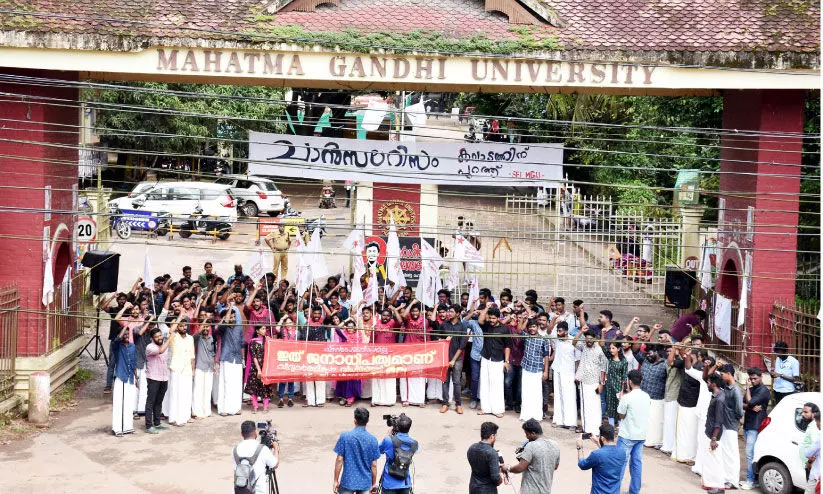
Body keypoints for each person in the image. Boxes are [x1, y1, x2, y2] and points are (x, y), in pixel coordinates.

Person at [616, 370, 650, 494]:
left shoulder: (626, 397)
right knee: (636, 464)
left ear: (629, 382)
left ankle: (614, 489)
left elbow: (621, 415)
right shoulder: (646, 396)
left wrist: (622, 398)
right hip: (640, 435)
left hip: (627, 435)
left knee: (620, 464)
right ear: (641, 381)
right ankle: (634, 491)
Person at [504, 419, 560, 494]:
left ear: (533, 433)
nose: (526, 437)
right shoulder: (555, 445)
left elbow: (520, 468)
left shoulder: (531, 446)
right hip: (546, 490)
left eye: (527, 434)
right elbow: (555, 467)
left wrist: (507, 468)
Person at [333, 407, 381, 494]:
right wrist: (373, 484)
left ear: (355, 420)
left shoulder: (345, 436)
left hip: (348, 481)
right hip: (365, 482)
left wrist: (336, 480)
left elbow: (339, 460)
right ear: (368, 420)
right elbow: (374, 465)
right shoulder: (372, 439)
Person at [477, 306, 511, 418]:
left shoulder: (505, 329)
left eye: (493, 318)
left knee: (496, 385)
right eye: (490, 318)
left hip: (498, 359)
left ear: (498, 318)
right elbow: (480, 320)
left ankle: (498, 409)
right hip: (486, 357)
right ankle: (485, 408)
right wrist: (486, 308)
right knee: (484, 383)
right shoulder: (486, 325)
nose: (491, 320)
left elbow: (507, 346)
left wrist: (506, 361)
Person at [740, 367, 771, 490]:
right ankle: (753, 479)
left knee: (750, 454)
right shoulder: (752, 389)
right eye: (751, 379)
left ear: (761, 377)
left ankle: (750, 480)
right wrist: (750, 406)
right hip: (748, 424)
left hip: (756, 426)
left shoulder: (764, 391)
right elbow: (742, 404)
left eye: (755, 379)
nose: (752, 381)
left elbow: (750, 401)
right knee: (750, 454)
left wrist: (748, 392)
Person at [574, 328, 608, 435]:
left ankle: (596, 429)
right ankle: (586, 429)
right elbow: (574, 342)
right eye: (587, 339)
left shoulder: (599, 350)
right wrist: (580, 332)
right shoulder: (583, 346)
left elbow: (604, 367)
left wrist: (602, 383)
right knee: (585, 406)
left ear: (595, 339)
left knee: (595, 406)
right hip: (584, 381)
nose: (588, 341)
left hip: (595, 382)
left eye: (591, 339)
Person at [577, 423, 627, 494]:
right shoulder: (622, 452)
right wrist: (598, 443)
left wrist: (579, 447)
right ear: (614, 437)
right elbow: (608, 454)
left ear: (603, 438)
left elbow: (582, 465)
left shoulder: (596, 454)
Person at [233, 420, 280, 494]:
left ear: (242, 434)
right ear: (255, 432)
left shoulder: (234, 449)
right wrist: (276, 448)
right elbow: (275, 464)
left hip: (239, 491)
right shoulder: (262, 449)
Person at [700, 374, 729, 493]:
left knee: (716, 461)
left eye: (708, 382)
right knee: (711, 460)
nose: (707, 384)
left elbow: (719, 420)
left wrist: (714, 438)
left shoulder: (719, 399)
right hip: (711, 432)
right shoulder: (718, 395)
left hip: (714, 434)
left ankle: (719, 487)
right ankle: (711, 483)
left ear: (714, 384)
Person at [519, 319, 551, 422]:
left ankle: (536, 416)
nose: (532, 329)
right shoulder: (526, 336)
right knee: (526, 391)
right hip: (526, 367)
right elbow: (519, 330)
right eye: (530, 327)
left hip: (538, 369)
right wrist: (525, 319)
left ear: (537, 327)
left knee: (536, 393)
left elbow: (546, 356)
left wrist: (545, 371)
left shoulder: (544, 340)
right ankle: (525, 415)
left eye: (534, 327)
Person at [377, 414, 418, 494]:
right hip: (405, 483)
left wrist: (389, 436)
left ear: (397, 427)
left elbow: (378, 451)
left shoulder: (388, 440)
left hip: (389, 483)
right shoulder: (414, 444)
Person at [167, 314, 195, 426]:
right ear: (178, 327)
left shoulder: (191, 338)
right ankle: (175, 418)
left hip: (187, 369)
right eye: (181, 326)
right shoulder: (173, 336)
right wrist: (179, 318)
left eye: (185, 326)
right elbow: (171, 330)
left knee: (187, 394)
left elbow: (192, 356)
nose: (184, 327)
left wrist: (192, 370)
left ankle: (186, 416)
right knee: (176, 393)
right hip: (176, 368)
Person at [718, 364, 743, 489]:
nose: (721, 376)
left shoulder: (736, 390)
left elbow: (739, 411)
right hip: (725, 424)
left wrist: (734, 421)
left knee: (732, 454)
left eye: (722, 374)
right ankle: (726, 478)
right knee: (725, 452)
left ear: (729, 374)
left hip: (731, 425)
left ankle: (732, 481)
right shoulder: (727, 387)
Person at [439, 304, 467, 414]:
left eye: (451, 311)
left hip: (457, 358)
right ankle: (445, 403)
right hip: (445, 357)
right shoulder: (444, 325)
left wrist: (453, 360)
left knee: (456, 382)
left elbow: (462, 346)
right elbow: (438, 339)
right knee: (445, 381)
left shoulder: (462, 326)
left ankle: (458, 405)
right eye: (448, 311)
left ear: (458, 314)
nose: (448, 313)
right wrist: (444, 340)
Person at [371, 307, 401, 407]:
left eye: (388, 316)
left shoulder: (393, 324)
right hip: (378, 355)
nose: (385, 317)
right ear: (381, 316)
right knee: (377, 378)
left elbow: (400, 321)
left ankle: (389, 400)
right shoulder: (376, 325)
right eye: (384, 315)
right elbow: (372, 341)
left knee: (389, 378)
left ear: (391, 317)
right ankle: (376, 399)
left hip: (390, 355)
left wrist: (395, 310)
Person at [217, 306, 245, 416]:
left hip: (237, 359)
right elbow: (223, 324)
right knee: (226, 384)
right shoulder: (223, 328)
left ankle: (236, 408)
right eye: (230, 316)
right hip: (227, 358)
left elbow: (242, 344)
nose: (232, 318)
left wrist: (243, 358)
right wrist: (229, 309)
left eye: (234, 316)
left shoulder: (239, 328)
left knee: (237, 384)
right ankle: (224, 409)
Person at [111, 324, 138, 437]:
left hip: (130, 377)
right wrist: (125, 326)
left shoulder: (132, 346)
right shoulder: (117, 346)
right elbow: (117, 340)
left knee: (128, 403)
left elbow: (134, 363)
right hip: (120, 376)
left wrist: (136, 378)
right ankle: (117, 428)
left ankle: (127, 427)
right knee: (119, 403)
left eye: (128, 333)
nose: (127, 335)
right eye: (124, 334)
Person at [550, 320, 577, 429]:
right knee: (558, 395)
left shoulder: (573, 341)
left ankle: (571, 423)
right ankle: (559, 420)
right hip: (557, 370)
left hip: (569, 372)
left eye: (560, 331)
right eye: (557, 330)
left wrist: (577, 374)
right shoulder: (557, 339)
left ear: (566, 332)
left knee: (569, 397)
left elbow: (577, 359)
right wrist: (555, 320)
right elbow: (548, 331)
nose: (558, 332)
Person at [467, 421, 506, 494]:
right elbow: (496, 478)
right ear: (492, 436)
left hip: (473, 488)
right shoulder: (492, 453)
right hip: (487, 490)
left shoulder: (471, 448)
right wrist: (500, 479)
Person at [144, 328, 171, 434]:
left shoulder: (163, 344)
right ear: (152, 338)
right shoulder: (150, 347)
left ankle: (157, 423)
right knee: (150, 402)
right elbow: (160, 351)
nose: (159, 338)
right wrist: (170, 339)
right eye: (156, 336)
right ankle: (149, 425)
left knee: (159, 401)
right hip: (153, 378)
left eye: (160, 335)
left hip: (164, 377)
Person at [639, 345, 667, 448]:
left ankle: (654, 441)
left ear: (656, 352)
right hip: (643, 396)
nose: (648, 356)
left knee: (655, 421)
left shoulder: (665, 364)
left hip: (657, 398)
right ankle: (644, 439)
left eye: (650, 353)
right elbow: (635, 349)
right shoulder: (645, 361)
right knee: (644, 419)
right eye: (646, 354)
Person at [192, 318, 216, 419]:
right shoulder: (198, 338)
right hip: (199, 367)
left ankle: (206, 411)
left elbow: (213, 353)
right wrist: (205, 321)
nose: (206, 328)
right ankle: (196, 412)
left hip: (209, 368)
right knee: (198, 390)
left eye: (207, 326)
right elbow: (195, 335)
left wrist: (214, 365)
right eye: (204, 326)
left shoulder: (212, 338)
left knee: (207, 390)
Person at [245, 325, 272, 413]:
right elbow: (254, 357)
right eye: (262, 329)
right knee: (254, 388)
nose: (265, 330)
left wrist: (269, 340)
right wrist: (259, 370)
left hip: (266, 367)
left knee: (265, 387)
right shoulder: (253, 342)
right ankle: (255, 406)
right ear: (257, 331)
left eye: (265, 329)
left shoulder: (267, 341)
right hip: (255, 367)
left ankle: (265, 407)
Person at [604, 342, 628, 426]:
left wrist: (622, 390)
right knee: (610, 407)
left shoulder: (623, 361)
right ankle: (611, 427)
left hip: (618, 388)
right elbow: (603, 346)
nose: (611, 350)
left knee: (620, 407)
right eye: (610, 348)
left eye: (613, 348)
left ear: (618, 349)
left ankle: (621, 427)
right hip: (609, 387)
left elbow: (624, 377)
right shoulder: (609, 358)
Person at [799, 403, 821, 492]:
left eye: (806, 412)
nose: (803, 414)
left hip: (812, 465)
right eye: (802, 412)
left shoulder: (814, 426)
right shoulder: (812, 425)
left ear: (814, 414)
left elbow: (817, 447)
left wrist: (809, 462)